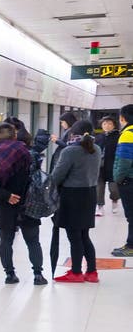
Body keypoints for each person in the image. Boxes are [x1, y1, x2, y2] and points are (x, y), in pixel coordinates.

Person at [0, 122, 47, 285]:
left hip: (6, 204)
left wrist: (6, 195)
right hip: (28, 202)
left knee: (6, 241)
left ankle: (10, 275)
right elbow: (35, 176)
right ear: (15, 136)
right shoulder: (26, 153)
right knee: (32, 240)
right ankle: (38, 275)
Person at [51, 119, 101, 283]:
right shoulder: (97, 149)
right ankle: (92, 272)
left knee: (74, 236)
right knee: (84, 235)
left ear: (73, 133)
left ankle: (76, 272)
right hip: (90, 194)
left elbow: (57, 176)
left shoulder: (70, 151)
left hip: (72, 195)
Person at [112, 103, 133, 256]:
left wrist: (117, 178)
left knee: (131, 215)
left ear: (123, 118)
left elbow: (124, 161)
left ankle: (131, 246)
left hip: (129, 181)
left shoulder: (128, 134)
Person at [95, 115, 120, 216]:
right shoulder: (98, 137)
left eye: (110, 123)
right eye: (104, 123)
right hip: (99, 166)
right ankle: (100, 207)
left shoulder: (118, 136)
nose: (107, 125)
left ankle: (115, 200)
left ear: (114, 125)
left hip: (112, 165)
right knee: (99, 188)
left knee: (114, 188)